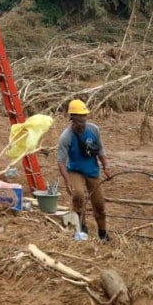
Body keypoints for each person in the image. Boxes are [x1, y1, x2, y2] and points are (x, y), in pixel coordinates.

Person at [57, 99, 112, 241]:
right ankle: (81, 228)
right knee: (78, 196)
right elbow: (61, 161)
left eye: (84, 121)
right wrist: (67, 180)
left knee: (99, 204)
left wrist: (105, 166)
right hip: (76, 171)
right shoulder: (66, 136)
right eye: (79, 122)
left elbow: (100, 149)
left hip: (92, 171)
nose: (82, 125)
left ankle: (103, 233)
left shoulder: (94, 130)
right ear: (72, 120)